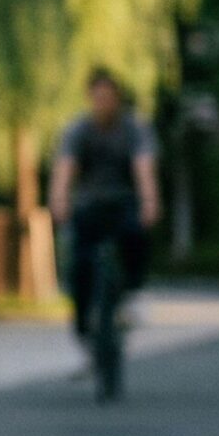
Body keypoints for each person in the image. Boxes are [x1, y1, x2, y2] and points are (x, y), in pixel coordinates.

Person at [49, 67, 161, 351]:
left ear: (117, 98)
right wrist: (59, 199)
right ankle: (84, 323)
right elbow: (65, 169)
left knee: (136, 235)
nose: (103, 103)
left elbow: (143, 168)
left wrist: (149, 201)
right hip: (89, 205)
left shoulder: (134, 129)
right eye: (98, 97)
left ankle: (134, 292)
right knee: (80, 264)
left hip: (123, 202)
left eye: (108, 97)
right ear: (90, 98)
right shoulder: (79, 130)